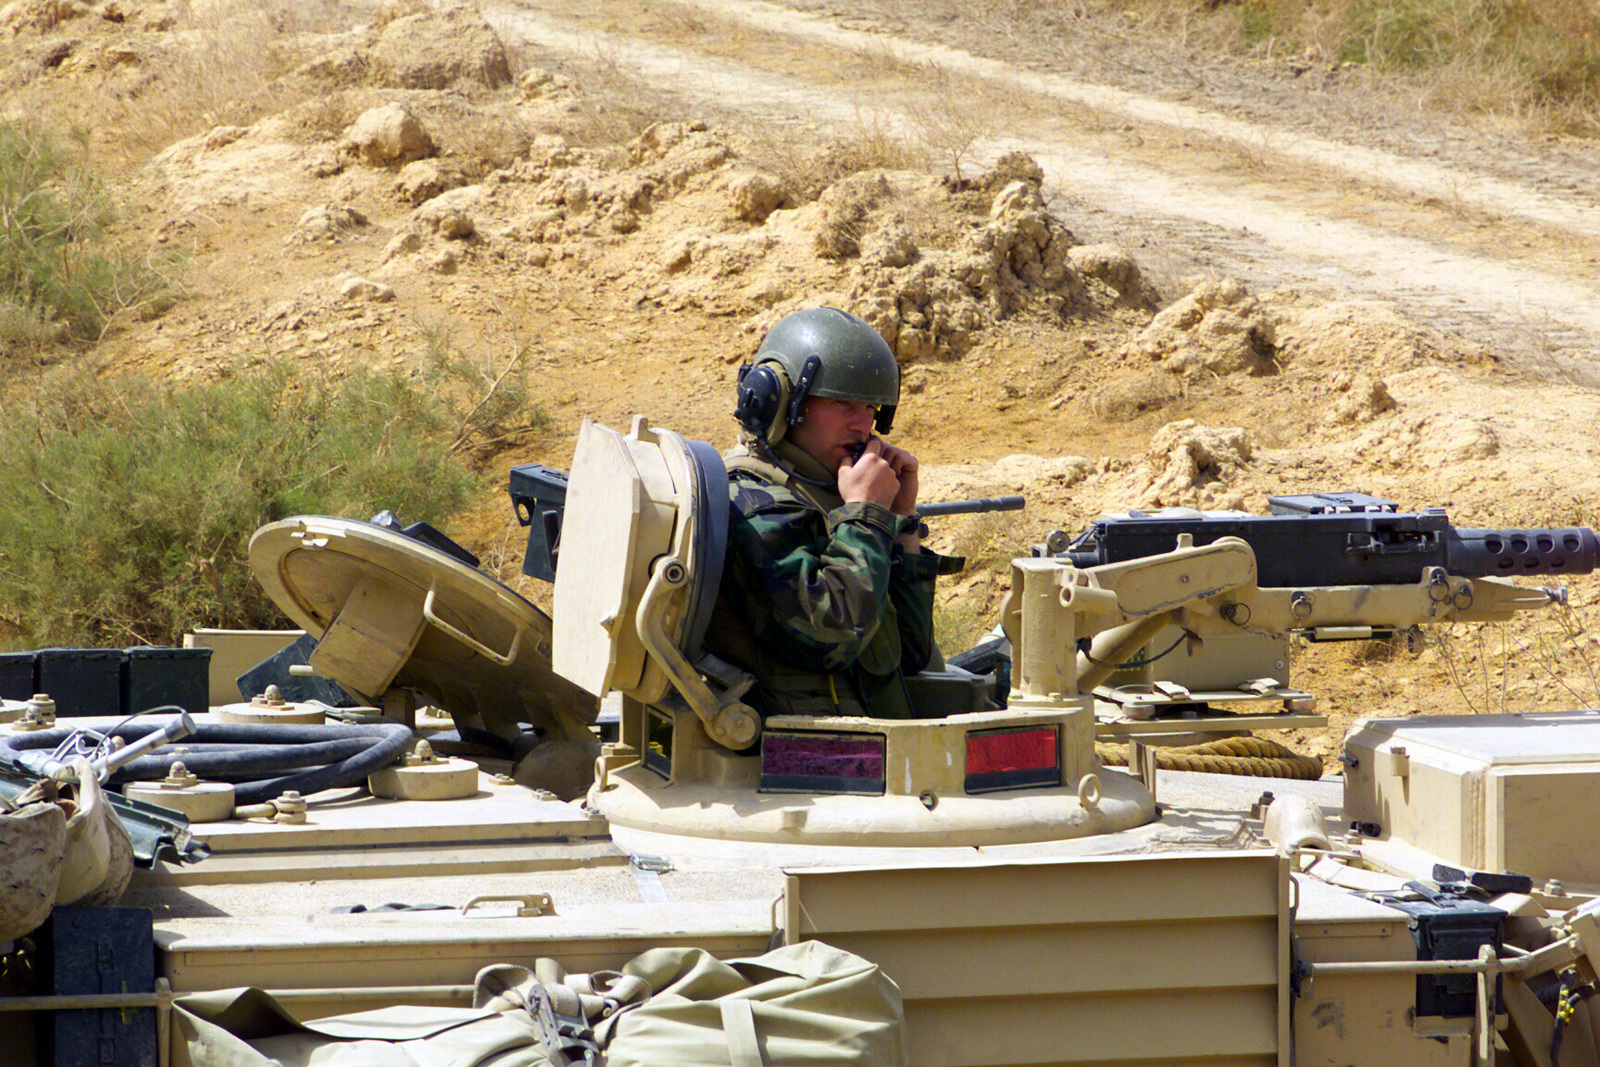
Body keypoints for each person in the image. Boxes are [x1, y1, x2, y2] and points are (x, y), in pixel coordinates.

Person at [703, 307, 961, 720]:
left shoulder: (827, 493)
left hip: (880, 751)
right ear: (781, 400)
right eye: (843, 402)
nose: (863, 424)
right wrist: (864, 516)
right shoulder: (750, 503)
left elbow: (910, 654)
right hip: (807, 761)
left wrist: (902, 522)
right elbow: (832, 636)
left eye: (871, 407)